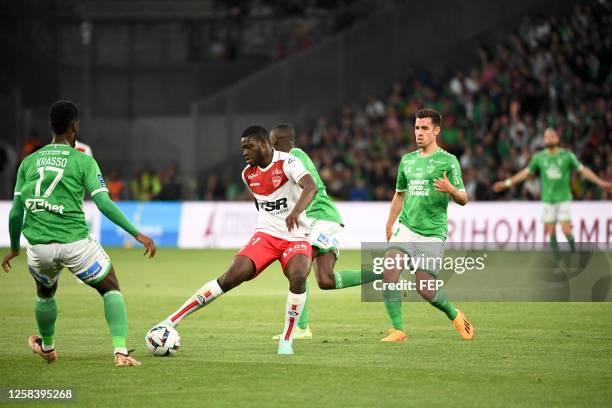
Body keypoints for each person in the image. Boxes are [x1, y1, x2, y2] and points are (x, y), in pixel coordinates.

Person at [2, 100, 157, 367]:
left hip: (39, 247)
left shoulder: (28, 162)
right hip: (76, 244)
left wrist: (15, 247)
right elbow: (104, 203)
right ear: (75, 127)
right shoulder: (83, 161)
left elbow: (16, 213)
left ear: (50, 125)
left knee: (45, 293)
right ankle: (120, 351)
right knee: (110, 289)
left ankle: (48, 347)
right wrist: (137, 233)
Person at [156, 125, 317, 355]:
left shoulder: (288, 163)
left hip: (296, 236)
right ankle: (172, 320)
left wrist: (294, 213)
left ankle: (287, 339)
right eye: (242, 148)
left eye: (248, 147)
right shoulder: (247, 174)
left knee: (299, 275)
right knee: (229, 277)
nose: (244, 152)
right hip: (266, 236)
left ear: (263, 144)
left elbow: (310, 187)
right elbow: (260, 201)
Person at [269, 124, 379, 340]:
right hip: (323, 219)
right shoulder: (291, 159)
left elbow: (310, 188)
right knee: (326, 280)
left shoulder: (294, 156)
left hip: (320, 217)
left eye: (271, 142)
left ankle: (301, 327)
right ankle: (384, 273)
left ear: (276, 141)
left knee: (300, 261)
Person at [381, 109, 474, 342]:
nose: (419, 133)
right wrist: (390, 223)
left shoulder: (448, 161)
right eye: (416, 128)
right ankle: (399, 330)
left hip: (432, 233)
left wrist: (451, 189)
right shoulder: (407, 161)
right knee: (389, 271)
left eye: (424, 128)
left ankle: (455, 315)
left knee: (425, 289)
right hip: (406, 227)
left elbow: (463, 198)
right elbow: (399, 195)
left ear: (436, 131)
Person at [493, 128, 612, 259]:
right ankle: (558, 260)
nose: (549, 137)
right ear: (544, 140)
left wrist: (601, 183)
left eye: (552, 135)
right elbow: (525, 174)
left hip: (563, 198)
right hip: (548, 200)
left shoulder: (567, 156)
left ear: (557, 138)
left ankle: (575, 253)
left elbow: (583, 171)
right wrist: (506, 183)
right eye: (547, 136)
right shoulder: (539, 158)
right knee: (551, 232)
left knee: (566, 230)